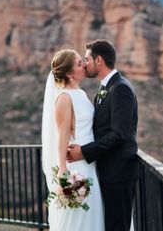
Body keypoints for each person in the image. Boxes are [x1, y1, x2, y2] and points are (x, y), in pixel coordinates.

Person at [67, 39, 139, 231]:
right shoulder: (105, 89)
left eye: (87, 59)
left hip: (119, 173)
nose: (84, 64)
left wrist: (84, 152)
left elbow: (119, 135)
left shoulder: (121, 89)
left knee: (118, 227)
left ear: (99, 60)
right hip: (108, 172)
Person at [41, 49, 105, 231]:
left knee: (92, 218)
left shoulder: (81, 94)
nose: (84, 65)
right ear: (69, 74)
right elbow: (61, 136)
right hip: (77, 168)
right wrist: (63, 171)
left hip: (89, 163)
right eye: (79, 64)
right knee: (77, 220)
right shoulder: (63, 98)